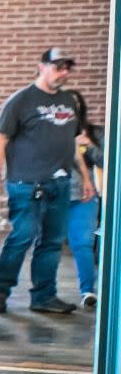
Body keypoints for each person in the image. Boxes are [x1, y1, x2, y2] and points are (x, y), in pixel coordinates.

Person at [0, 49, 100, 314]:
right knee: (22, 237)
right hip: (25, 184)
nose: (63, 73)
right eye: (58, 67)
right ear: (41, 67)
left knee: (51, 241)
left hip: (59, 184)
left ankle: (43, 297)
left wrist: (84, 177)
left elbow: (71, 144)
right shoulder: (21, 100)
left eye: (67, 68)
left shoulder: (67, 102)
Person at [70, 128, 104, 308]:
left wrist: (89, 146)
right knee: (45, 245)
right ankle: (44, 294)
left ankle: (88, 291)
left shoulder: (93, 133)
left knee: (83, 243)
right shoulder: (43, 129)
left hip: (84, 196)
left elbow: (107, 161)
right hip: (50, 193)